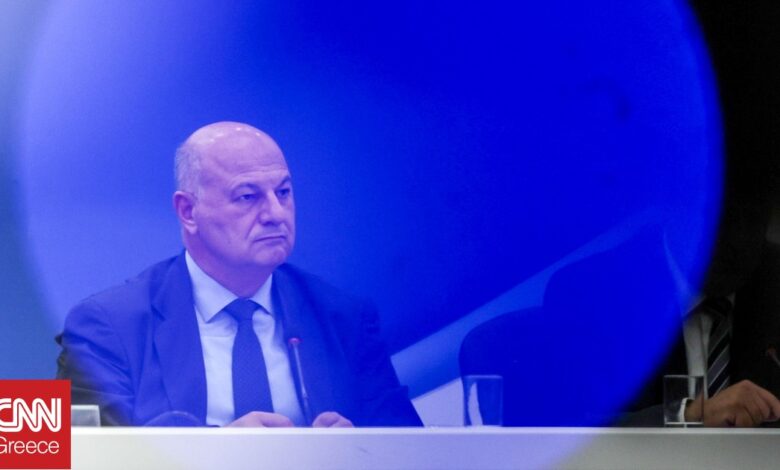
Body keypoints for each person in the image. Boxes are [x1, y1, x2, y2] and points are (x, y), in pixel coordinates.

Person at [56, 121, 422, 427]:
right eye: (248, 197)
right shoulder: (107, 327)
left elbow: (412, 453)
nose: (275, 213)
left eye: (283, 192)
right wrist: (219, 455)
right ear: (188, 211)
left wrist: (359, 450)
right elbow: (55, 458)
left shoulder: (343, 319)